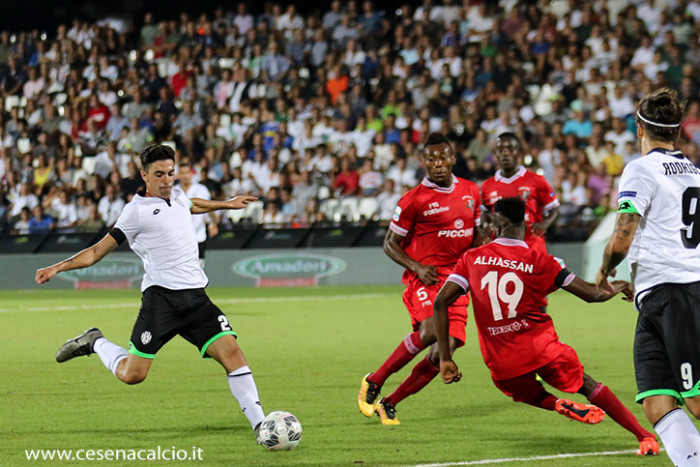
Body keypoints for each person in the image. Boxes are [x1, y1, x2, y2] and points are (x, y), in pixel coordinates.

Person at [35, 144, 266, 443]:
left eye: (170, 173)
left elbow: (191, 204)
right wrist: (57, 267)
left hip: (197, 300)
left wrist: (226, 204)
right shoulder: (135, 212)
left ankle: (262, 427)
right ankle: (95, 342)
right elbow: (96, 252)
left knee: (233, 353)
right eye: (159, 175)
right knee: (133, 375)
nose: (167, 180)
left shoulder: (178, 196)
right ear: (144, 176)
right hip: (162, 302)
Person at [435, 197, 659, 456]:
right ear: (525, 225)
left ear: (494, 227)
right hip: (541, 348)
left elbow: (440, 303)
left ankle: (557, 404)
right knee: (587, 384)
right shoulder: (543, 261)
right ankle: (644, 437)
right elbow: (592, 294)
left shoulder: (471, 259)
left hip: (501, 360)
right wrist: (620, 284)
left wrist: (445, 357)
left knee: (526, 392)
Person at [596, 88, 700, 466]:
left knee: (696, 400)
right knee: (657, 402)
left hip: (679, 294)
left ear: (640, 128)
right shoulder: (693, 170)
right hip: (658, 296)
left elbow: (623, 235)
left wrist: (604, 272)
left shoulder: (641, 169)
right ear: (676, 132)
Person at [357, 133, 485, 425]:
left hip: (458, 281)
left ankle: (389, 403)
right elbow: (390, 243)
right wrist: (416, 267)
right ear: (423, 163)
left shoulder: (470, 191)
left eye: (443, 157)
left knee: (445, 350)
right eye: (432, 159)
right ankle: (375, 380)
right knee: (429, 332)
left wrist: (483, 250)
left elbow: (476, 235)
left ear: (453, 159)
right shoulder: (413, 200)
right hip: (426, 278)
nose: (438, 164)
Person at [480, 132, 559, 255]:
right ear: (496, 154)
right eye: (501, 150)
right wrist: (488, 225)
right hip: (502, 253)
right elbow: (484, 212)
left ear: (519, 153)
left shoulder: (536, 180)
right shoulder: (487, 186)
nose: (505, 153)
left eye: (510, 149)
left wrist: (545, 224)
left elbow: (554, 208)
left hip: (532, 249)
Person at [175, 158, 217, 267]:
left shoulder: (201, 189)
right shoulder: (173, 192)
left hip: (198, 235)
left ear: (192, 174)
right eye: (182, 173)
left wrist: (213, 224)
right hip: (178, 238)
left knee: (198, 269)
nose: (185, 176)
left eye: (187, 173)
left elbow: (210, 208)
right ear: (178, 175)